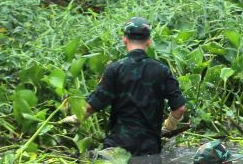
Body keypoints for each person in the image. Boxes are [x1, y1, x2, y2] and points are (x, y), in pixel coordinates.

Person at [71, 17, 187, 156]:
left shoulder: (114, 69)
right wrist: (168, 127)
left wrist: (74, 119)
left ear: (124, 39)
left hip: (117, 148)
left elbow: (93, 106)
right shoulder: (162, 70)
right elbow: (180, 109)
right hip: (149, 149)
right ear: (149, 41)